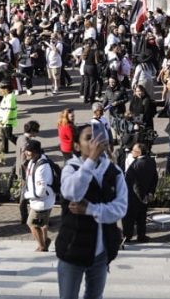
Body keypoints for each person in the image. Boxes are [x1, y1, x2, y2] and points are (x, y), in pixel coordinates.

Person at [56, 121, 127, 299]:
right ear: (77, 146)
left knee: (95, 296)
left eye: (96, 137)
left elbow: (120, 208)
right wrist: (90, 162)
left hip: (101, 252)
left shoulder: (114, 171)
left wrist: (91, 209)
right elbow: (71, 192)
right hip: (73, 249)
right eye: (88, 138)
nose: (94, 142)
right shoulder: (70, 169)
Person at [122, 142, 158, 245]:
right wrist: (150, 193)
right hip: (145, 195)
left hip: (132, 197)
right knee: (142, 217)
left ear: (138, 153)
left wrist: (142, 196)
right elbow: (155, 178)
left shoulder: (134, 166)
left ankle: (127, 237)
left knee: (129, 218)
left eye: (133, 151)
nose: (131, 152)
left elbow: (135, 185)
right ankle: (141, 235)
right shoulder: (151, 161)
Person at [23, 139, 56, 252]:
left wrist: (26, 195)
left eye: (29, 151)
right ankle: (45, 241)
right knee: (43, 223)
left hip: (41, 202)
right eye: (26, 150)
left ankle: (42, 247)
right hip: (40, 201)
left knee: (32, 224)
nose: (26, 152)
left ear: (36, 152)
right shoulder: (35, 160)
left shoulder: (42, 167)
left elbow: (41, 190)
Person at [0, 81, 19, 153]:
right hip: (4, 120)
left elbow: (8, 111)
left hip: (7, 121)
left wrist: (3, 121)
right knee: (4, 136)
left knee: (9, 135)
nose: (1, 91)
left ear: (7, 89)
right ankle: (4, 149)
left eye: (3, 89)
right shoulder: (7, 95)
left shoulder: (10, 97)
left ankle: (23, 146)